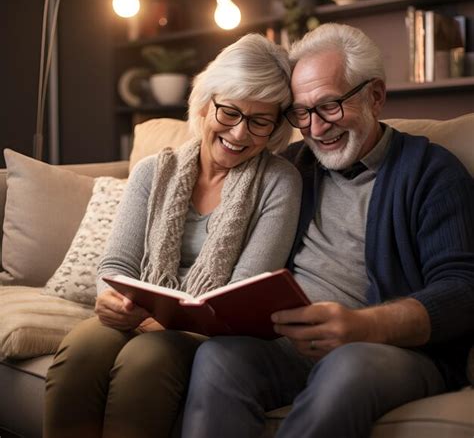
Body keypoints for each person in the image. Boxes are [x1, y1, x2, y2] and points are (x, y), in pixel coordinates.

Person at [180, 23, 474, 437]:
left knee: (348, 364)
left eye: (330, 106)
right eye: (302, 112)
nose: (316, 128)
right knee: (218, 357)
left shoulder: (432, 172)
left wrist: (363, 326)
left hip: (393, 351)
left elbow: (463, 290)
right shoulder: (294, 166)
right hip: (291, 343)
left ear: (376, 96)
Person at [43, 33, 302, 438]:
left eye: (259, 121)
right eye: (230, 112)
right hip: (139, 314)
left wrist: (161, 320)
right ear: (205, 103)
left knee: (146, 363)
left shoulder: (279, 183)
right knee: (79, 352)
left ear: (275, 127)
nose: (239, 134)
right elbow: (117, 264)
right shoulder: (152, 171)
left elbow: (242, 292)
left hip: (206, 331)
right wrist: (109, 298)